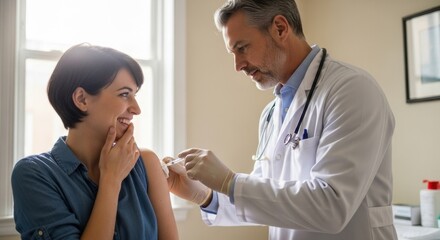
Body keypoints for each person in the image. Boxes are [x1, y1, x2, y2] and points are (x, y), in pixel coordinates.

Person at [165, 0, 397, 239]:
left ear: (280, 28)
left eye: (242, 48)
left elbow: (332, 206)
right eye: (232, 53)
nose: (238, 66)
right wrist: (206, 196)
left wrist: (229, 182)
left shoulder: (351, 90)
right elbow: (265, 201)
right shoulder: (271, 113)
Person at [11, 43, 179, 240]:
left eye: (135, 95)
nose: (136, 109)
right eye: (125, 94)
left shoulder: (147, 163)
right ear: (82, 99)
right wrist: (111, 181)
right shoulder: (33, 175)